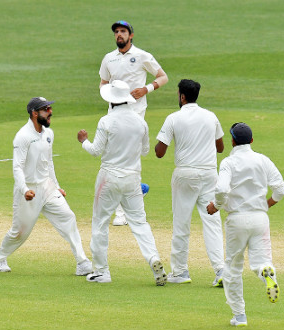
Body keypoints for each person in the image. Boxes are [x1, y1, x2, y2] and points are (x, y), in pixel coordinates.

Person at [77, 80, 166, 285]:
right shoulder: (140, 122)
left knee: (100, 223)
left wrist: (84, 141)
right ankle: (153, 258)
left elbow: (95, 151)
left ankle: (102, 271)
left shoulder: (106, 121)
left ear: (110, 100)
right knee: (140, 223)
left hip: (109, 177)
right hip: (133, 178)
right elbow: (144, 151)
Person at [0, 97, 92, 276]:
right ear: (34, 113)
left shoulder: (49, 134)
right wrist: (24, 190)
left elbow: (49, 163)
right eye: (46, 109)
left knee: (68, 217)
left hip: (47, 188)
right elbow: (17, 167)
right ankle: (0, 257)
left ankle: (82, 262)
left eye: (49, 108)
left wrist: (57, 186)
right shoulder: (23, 136)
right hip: (28, 190)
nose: (50, 112)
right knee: (19, 233)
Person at [207, 122, 284, 327]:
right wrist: (266, 204)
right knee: (261, 260)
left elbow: (222, 189)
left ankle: (240, 316)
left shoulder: (228, 163)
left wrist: (216, 206)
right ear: (251, 140)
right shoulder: (262, 160)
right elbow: (280, 189)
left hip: (237, 219)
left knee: (232, 268)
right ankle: (266, 271)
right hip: (260, 218)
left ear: (232, 141)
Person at [154, 79, 225, 286]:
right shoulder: (210, 116)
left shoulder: (173, 118)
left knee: (181, 223)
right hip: (210, 174)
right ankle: (220, 270)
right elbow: (220, 148)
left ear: (182, 96)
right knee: (212, 224)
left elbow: (159, 152)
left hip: (185, 174)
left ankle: (181, 272)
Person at [98, 20, 169, 226]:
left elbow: (163, 77)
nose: (119, 35)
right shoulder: (108, 59)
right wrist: (107, 96)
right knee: (113, 157)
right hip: (113, 113)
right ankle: (137, 191)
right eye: (116, 32)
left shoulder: (141, 56)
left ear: (131, 35)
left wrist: (146, 89)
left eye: (123, 31)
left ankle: (122, 212)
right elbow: (103, 83)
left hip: (136, 113)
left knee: (129, 158)